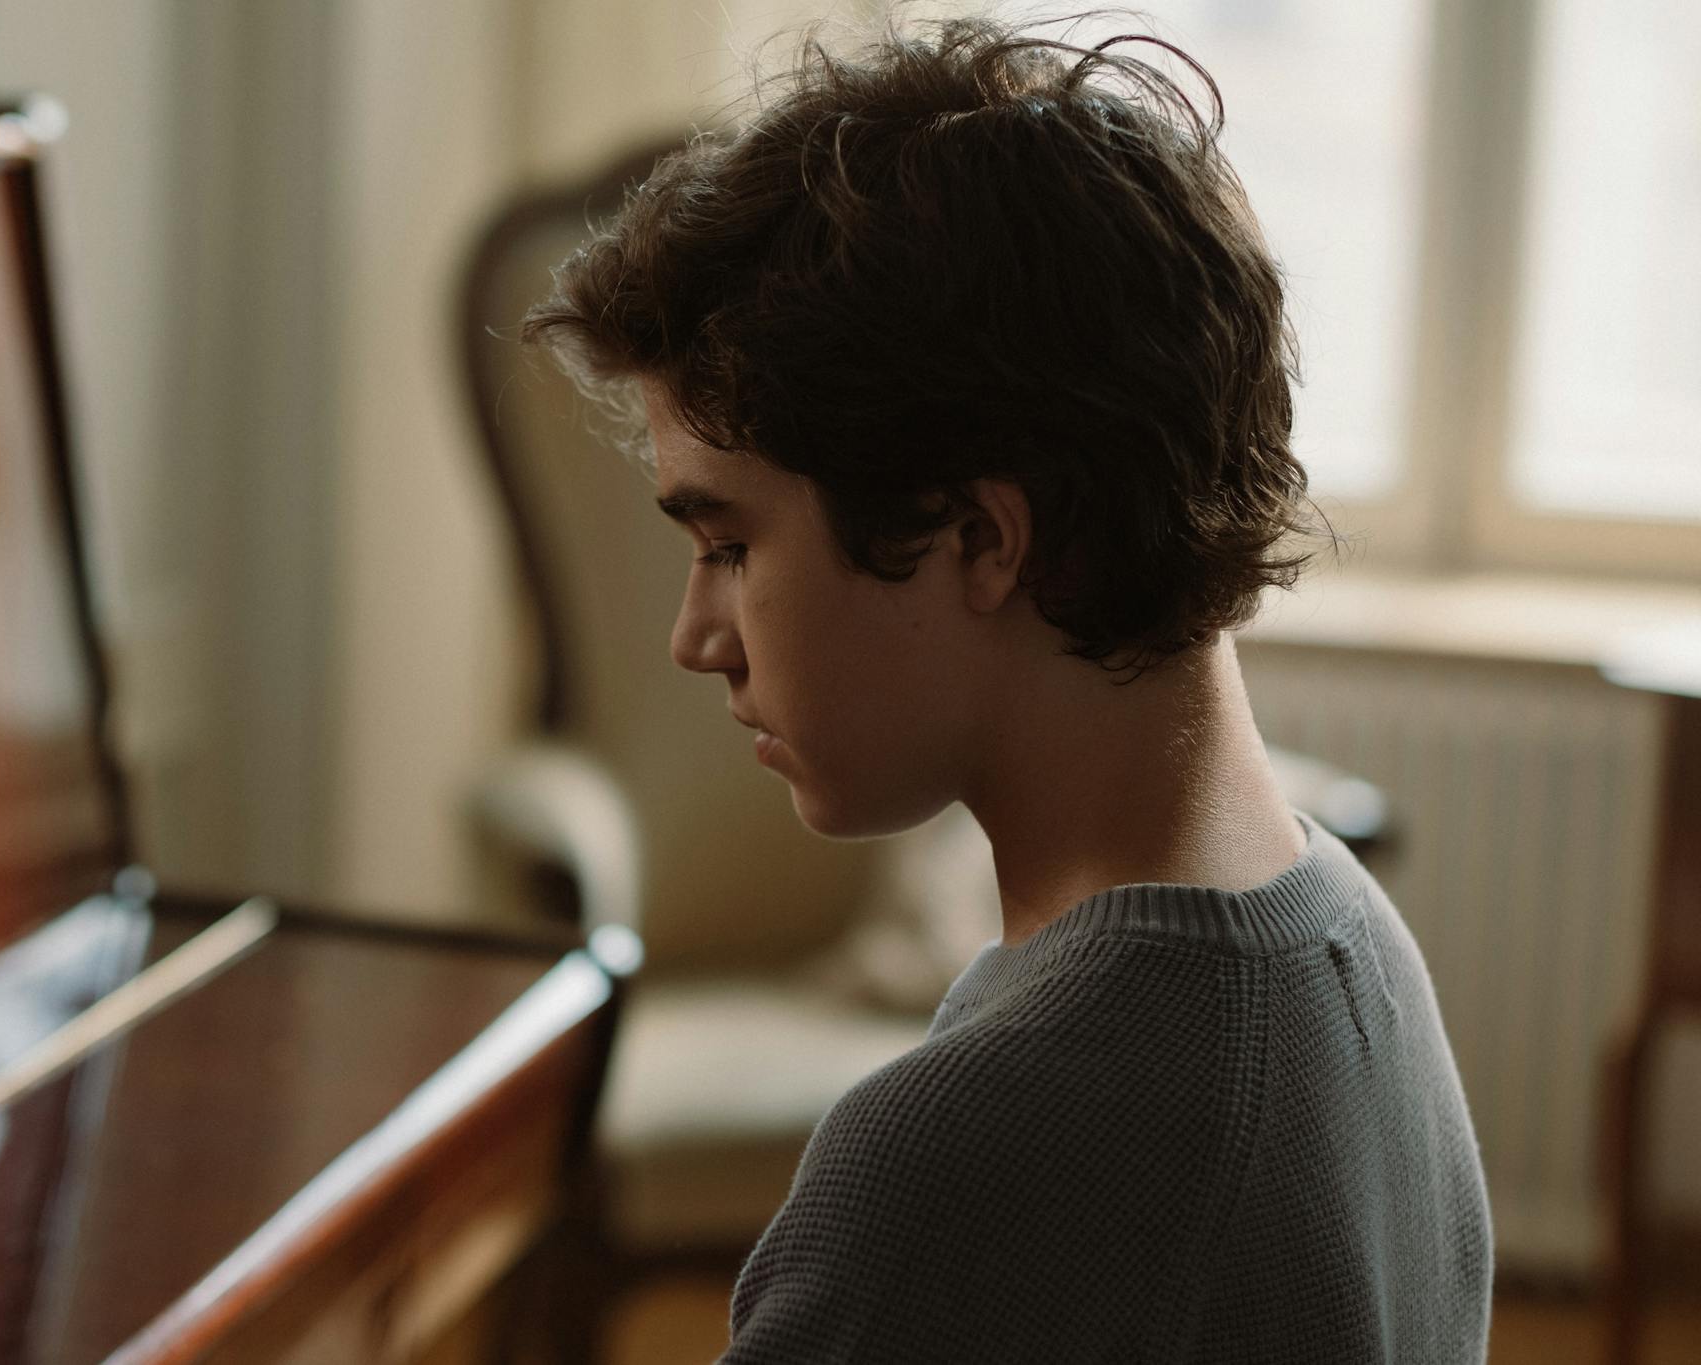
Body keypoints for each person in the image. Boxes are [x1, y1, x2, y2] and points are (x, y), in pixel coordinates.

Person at [522, 12, 1492, 1362]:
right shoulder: (1358, 949)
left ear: (980, 536)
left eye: (734, 545)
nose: (699, 634)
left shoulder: (961, 1162)